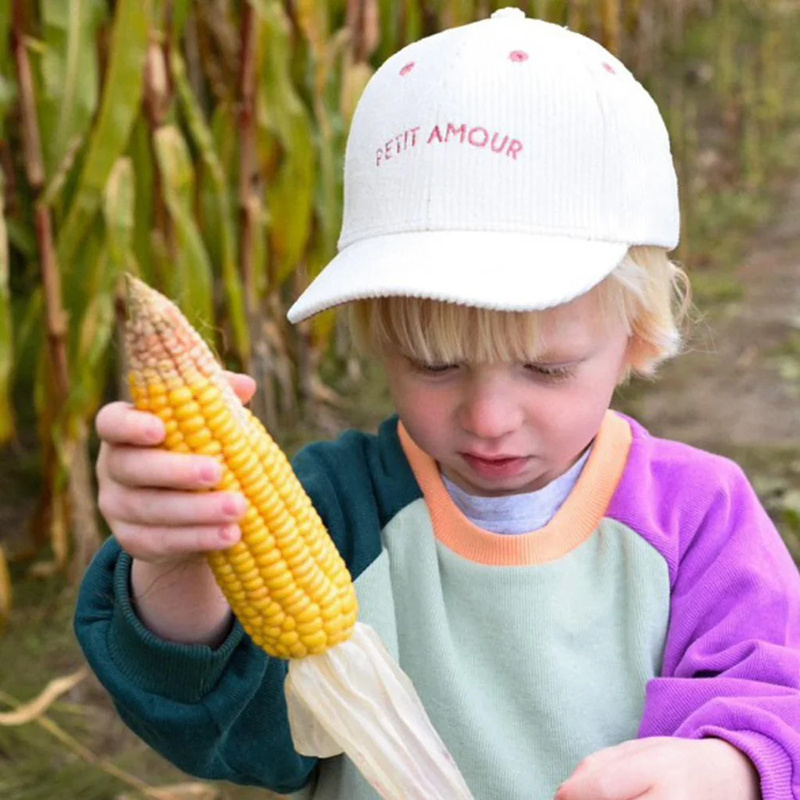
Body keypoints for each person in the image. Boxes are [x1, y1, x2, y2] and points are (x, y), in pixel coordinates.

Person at [75, 8, 800, 799]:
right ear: (379, 339)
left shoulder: (698, 517)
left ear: (637, 336)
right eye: (434, 364)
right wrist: (183, 561)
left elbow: (775, 695)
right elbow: (234, 737)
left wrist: (730, 765)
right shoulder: (339, 509)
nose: (488, 419)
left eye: (547, 369)